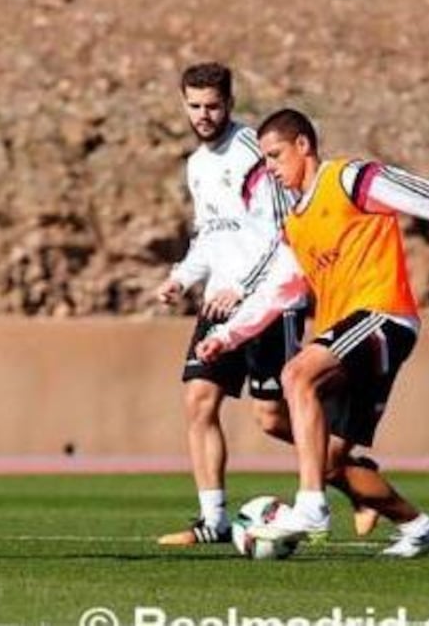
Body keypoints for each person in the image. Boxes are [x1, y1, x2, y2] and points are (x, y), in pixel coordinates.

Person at [197, 108, 429, 557]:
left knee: (297, 374)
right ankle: (420, 528)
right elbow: (276, 291)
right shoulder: (296, 223)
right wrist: (229, 335)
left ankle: (311, 506)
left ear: (303, 146)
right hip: (348, 333)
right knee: (331, 459)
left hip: (384, 315)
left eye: (275, 156)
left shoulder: (349, 178)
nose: (271, 168)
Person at [154, 63, 312, 546]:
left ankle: (351, 472)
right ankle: (214, 521)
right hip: (217, 302)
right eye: (195, 106)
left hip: (266, 300)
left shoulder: (251, 151)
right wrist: (181, 277)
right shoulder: (196, 165)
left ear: (230, 103)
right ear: (184, 104)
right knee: (198, 401)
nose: (204, 115)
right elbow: (210, 234)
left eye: (213, 106)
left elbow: (286, 230)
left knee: (271, 418)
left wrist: (244, 286)